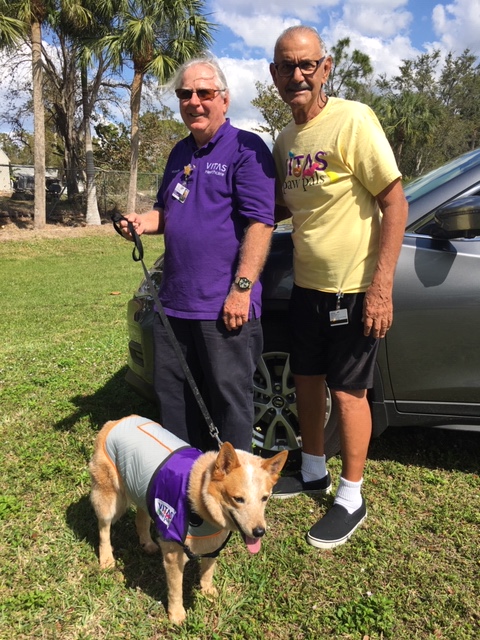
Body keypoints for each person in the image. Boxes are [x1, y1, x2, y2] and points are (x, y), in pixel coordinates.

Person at [269, 26, 408, 548]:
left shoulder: (353, 120)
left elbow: (395, 202)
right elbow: (287, 204)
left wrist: (381, 287)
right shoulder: (285, 140)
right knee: (306, 379)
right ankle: (312, 470)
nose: (298, 75)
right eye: (287, 66)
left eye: (307, 65)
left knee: (349, 393)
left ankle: (351, 495)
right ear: (274, 75)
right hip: (307, 286)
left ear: (325, 68)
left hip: (353, 289)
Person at [119, 57, 275, 452]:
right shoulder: (179, 153)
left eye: (204, 92)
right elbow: (166, 213)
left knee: (229, 405)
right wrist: (141, 221)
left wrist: (241, 289)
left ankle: (229, 502)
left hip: (224, 307)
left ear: (224, 99)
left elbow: (261, 224)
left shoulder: (246, 148)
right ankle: (185, 489)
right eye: (185, 93)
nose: (194, 101)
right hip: (174, 306)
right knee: (176, 404)